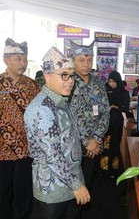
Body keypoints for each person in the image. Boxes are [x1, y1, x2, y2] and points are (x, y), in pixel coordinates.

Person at [24, 46, 90, 219]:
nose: (70, 81)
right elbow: (53, 155)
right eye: (64, 75)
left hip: (70, 181)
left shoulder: (60, 101)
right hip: (53, 189)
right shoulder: (42, 109)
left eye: (72, 75)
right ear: (47, 76)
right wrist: (77, 185)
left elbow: (71, 134)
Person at [0, 38, 40, 219]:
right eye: (18, 58)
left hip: (25, 149)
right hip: (1, 150)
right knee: (2, 189)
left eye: (24, 59)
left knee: (23, 190)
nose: (22, 63)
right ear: (5, 60)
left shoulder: (32, 86)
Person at [68, 41, 110, 191]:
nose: (86, 64)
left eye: (89, 60)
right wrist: (86, 142)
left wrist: (97, 139)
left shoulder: (98, 83)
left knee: (88, 185)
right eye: (81, 60)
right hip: (74, 146)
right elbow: (68, 117)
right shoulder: (67, 81)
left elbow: (105, 112)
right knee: (74, 190)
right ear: (73, 60)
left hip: (95, 146)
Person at [99, 71, 130, 178]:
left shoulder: (124, 93)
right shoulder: (105, 91)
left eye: (114, 81)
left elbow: (126, 108)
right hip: (106, 122)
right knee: (106, 146)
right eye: (110, 81)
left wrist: (115, 107)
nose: (111, 84)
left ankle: (114, 170)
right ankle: (104, 170)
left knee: (115, 145)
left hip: (117, 122)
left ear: (118, 81)